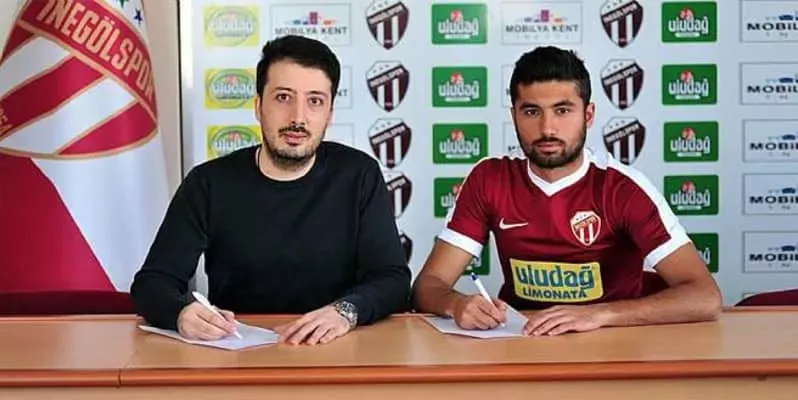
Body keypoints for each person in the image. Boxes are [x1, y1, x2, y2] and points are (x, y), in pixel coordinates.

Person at [412, 46, 722, 336]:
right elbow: (428, 285)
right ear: (514, 116)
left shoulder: (623, 188)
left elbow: (704, 296)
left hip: (612, 344)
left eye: (562, 111)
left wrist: (599, 315)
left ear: (588, 115)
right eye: (531, 112)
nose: (547, 129)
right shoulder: (489, 179)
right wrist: (456, 304)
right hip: (523, 342)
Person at [131, 35, 411, 345]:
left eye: (315, 101)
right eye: (283, 97)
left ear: (329, 114)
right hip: (238, 350)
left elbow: (392, 278)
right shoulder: (208, 183)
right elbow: (152, 283)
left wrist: (345, 312)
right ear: (258, 106)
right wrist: (181, 313)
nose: (298, 118)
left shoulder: (359, 175)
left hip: (336, 347)